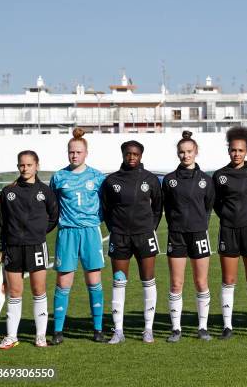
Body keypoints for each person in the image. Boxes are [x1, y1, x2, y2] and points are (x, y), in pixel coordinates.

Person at [0, 151, 58, 349]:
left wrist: (38, 232)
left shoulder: (45, 191)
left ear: (36, 166)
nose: (25, 168)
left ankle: (40, 336)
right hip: (13, 247)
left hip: (36, 246)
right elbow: (2, 222)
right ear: (18, 167)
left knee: (38, 290)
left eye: (29, 165)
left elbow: (53, 217)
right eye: (22, 165)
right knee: (14, 292)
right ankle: (11, 336)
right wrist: (2, 247)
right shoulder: (8, 192)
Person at [103, 140, 163, 344]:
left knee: (148, 280)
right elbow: (106, 209)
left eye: (135, 154)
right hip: (120, 237)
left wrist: (149, 228)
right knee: (119, 281)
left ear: (141, 155)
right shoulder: (111, 180)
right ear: (122, 154)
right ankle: (118, 330)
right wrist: (115, 229)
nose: (131, 157)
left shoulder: (151, 179)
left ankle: (148, 329)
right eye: (128, 153)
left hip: (145, 236)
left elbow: (157, 208)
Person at [50, 128, 106, 345]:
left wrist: (93, 221)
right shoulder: (58, 177)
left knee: (94, 280)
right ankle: (57, 331)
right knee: (64, 282)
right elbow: (52, 206)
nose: (74, 155)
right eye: (71, 152)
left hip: (90, 232)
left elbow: (105, 205)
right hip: (67, 234)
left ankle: (98, 329)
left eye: (78, 152)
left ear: (86, 153)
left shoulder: (97, 177)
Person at [213, 126, 247, 340]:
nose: (236, 154)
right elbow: (215, 203)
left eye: (240, 150)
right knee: (229, 279)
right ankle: (227, 326)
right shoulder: (219, 176)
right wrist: (229, 217)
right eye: (233, 150)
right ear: (229, 151)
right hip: (228, 230)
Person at [163, 131, 214, 342]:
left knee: (201, 282)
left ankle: (202, 327)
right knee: (176, 283)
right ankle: (176, 329)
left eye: (189, 151)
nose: (186, 156)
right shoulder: (169, 180)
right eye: (182, 152)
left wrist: (199, 222)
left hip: (199, 234)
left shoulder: (205, 180)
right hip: (176, 236)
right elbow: (165, 206)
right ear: (178, 154)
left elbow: (209, 205)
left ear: (196, 152)